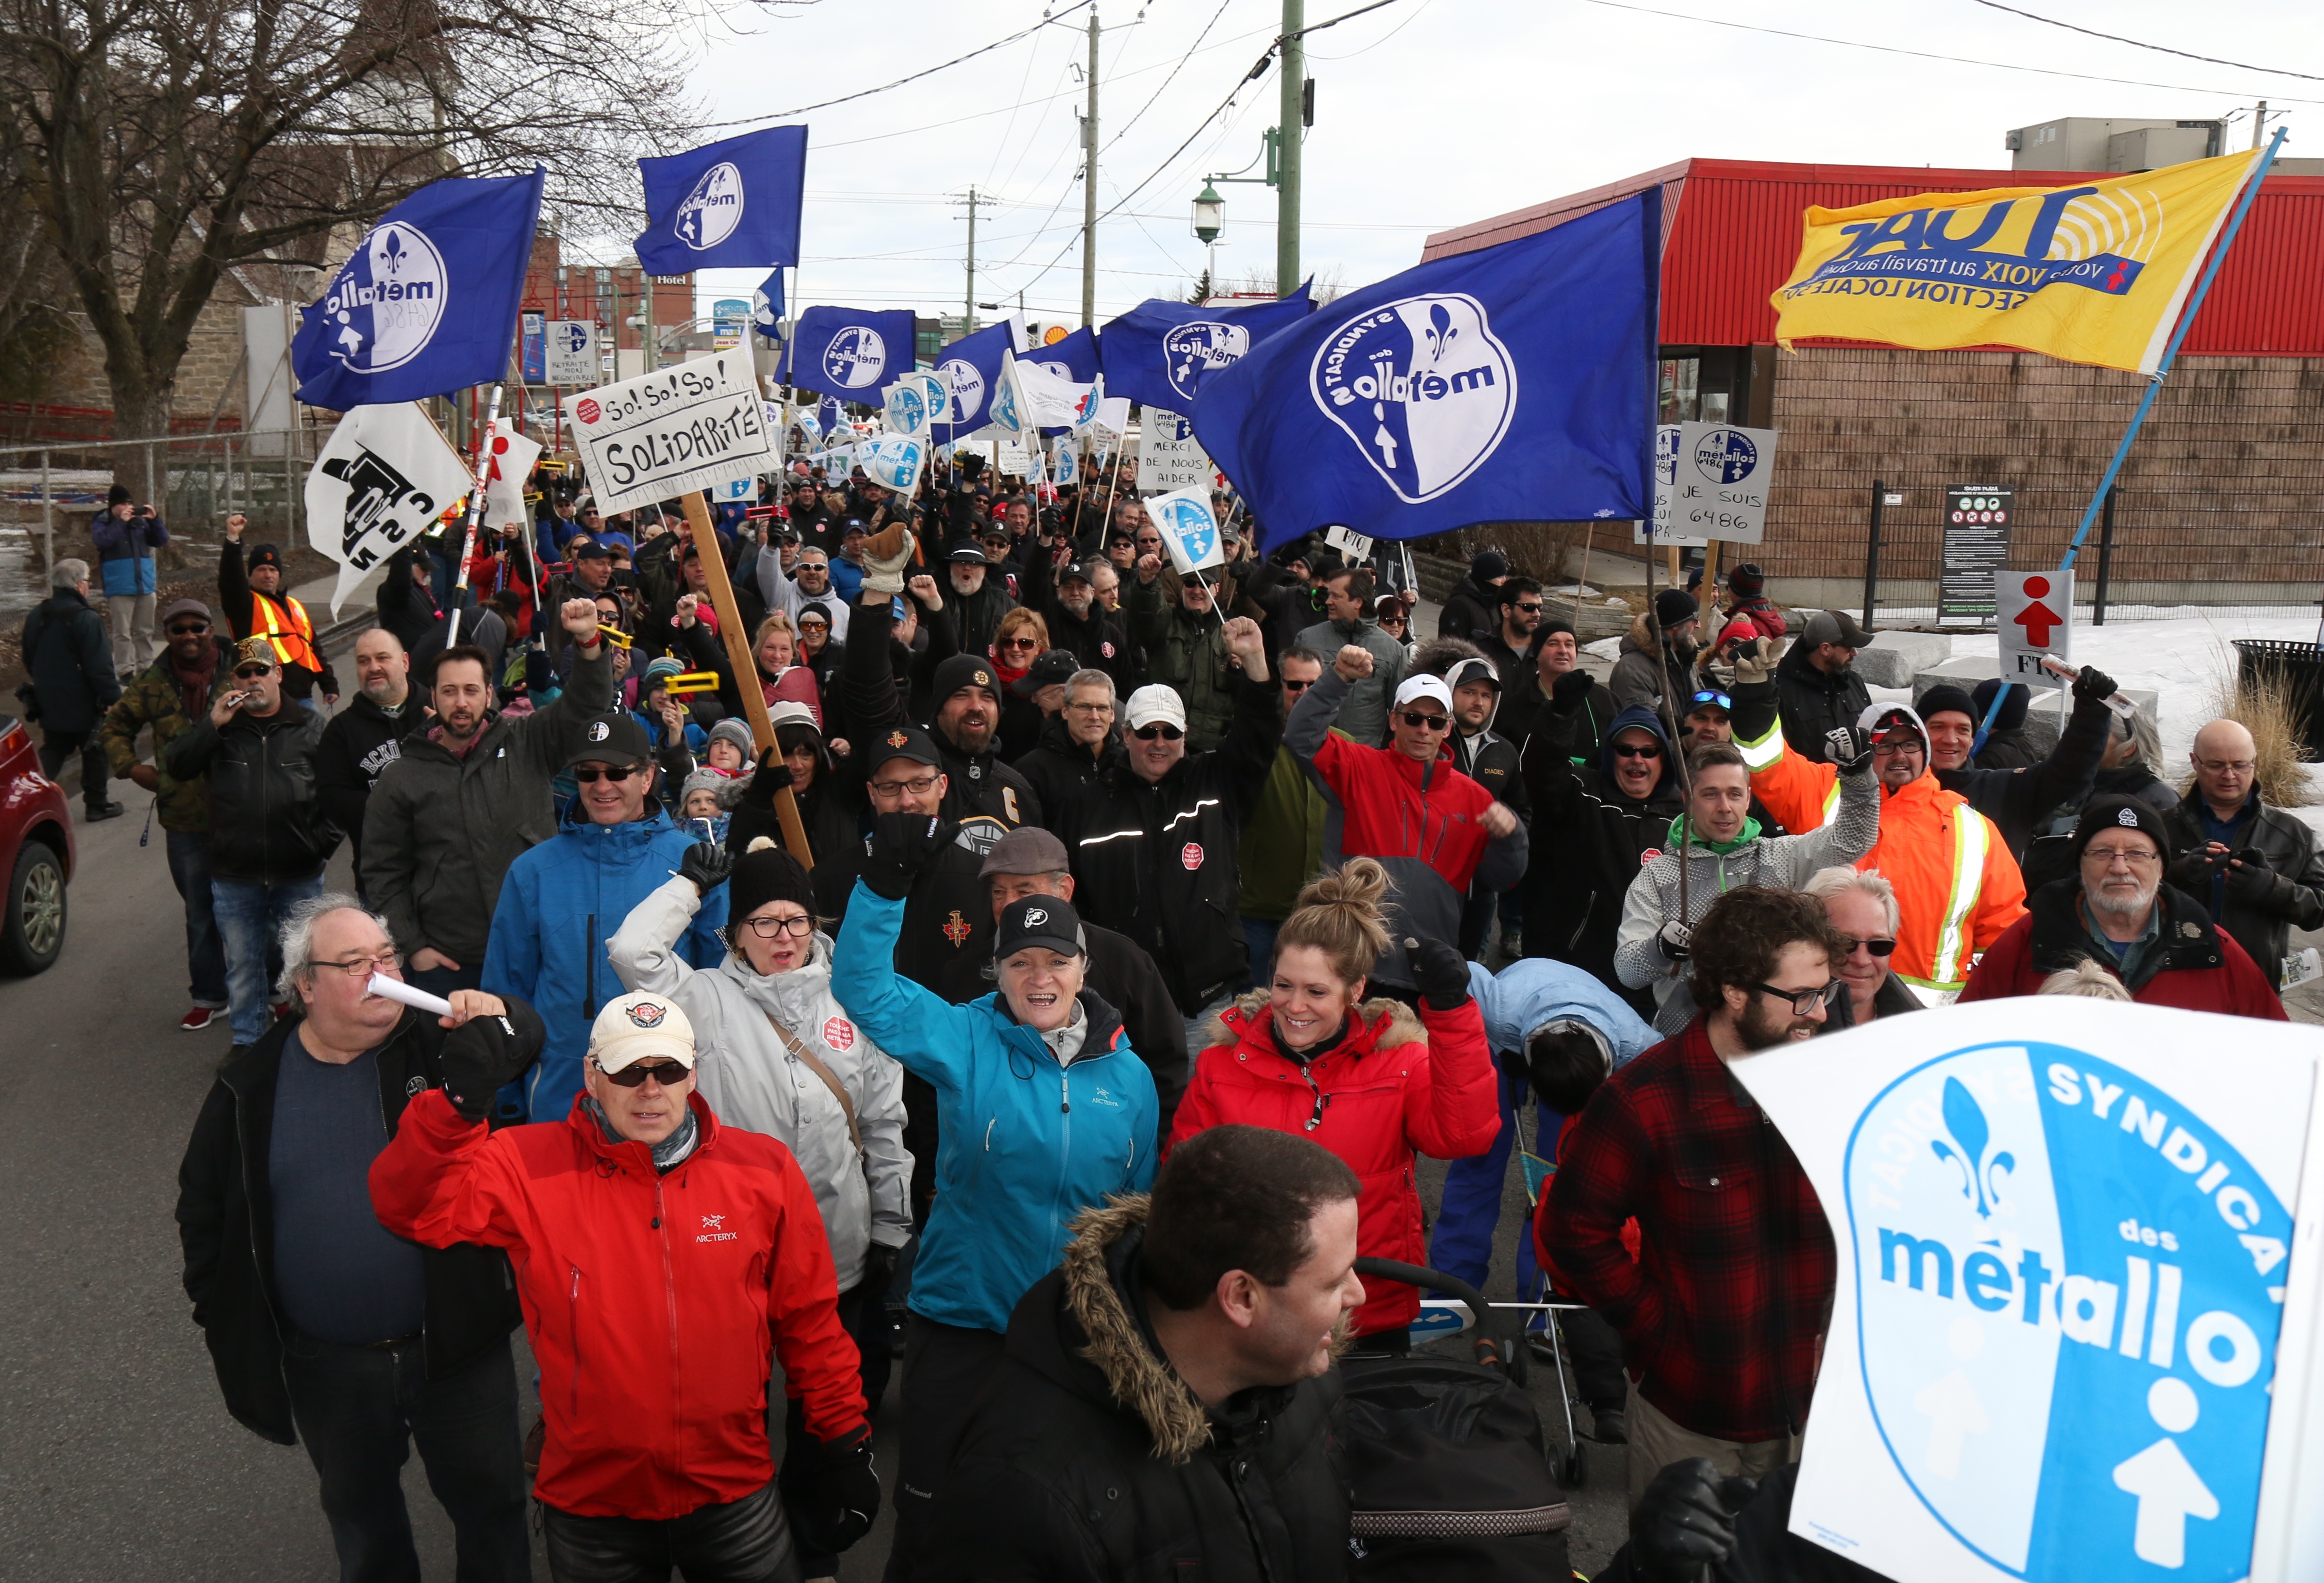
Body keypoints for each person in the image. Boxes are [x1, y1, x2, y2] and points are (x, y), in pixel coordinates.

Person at [368, 988, 879, 1582]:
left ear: (693, 1074)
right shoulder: (523, 1163)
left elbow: (810, 1324)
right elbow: (410, 1209)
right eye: (628, 1069)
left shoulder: (763, 1169)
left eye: (667, 1069)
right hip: (593, 1509)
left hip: (735, 1492)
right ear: (591, 1074)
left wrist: (846, 1442)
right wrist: (456, 1107)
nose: (649, 1088)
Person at [177, 897, 535, 1583]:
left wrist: (497, 1016)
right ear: (305, 987)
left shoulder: (433, 1043)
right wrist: (220, 1307)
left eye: (386, 957)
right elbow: (203, 1210)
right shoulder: (248, 1087)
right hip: (329, 1367)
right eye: (355, 963)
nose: (379, 974)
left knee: (491, 1510)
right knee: (363, 1524)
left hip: (457, 1350)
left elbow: (527, 1038)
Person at [830, 845, 1159, 1583]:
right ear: (998, 972)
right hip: (964, 1323)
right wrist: (885, 880)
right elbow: (860, 986)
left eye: (1055, 961)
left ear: (1083, 969)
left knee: (1052, 1518)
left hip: (1072, 1335)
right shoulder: (964, 1037)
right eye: (1020, 963)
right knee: (929, 1514)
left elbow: (1136, 1212)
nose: (1039, 978)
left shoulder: (1130, 1076)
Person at [608, 839, 909, 1565]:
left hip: (836, 1246)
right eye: (765, 921)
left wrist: (895, 1232)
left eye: (796, 921)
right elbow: (631, 953)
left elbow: (883, 1121)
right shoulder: (704, 998)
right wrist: (686, 885)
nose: (783, 936)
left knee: (820, 1409)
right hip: (729, 1251)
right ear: (733, 931)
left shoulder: (853, 1000)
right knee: (732, 1404)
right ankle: (731, 1542)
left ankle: (814, 1549)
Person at [923, 1126, 1359, 1583]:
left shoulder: (1304, 1372)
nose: (1358, 1295)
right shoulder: (1020, 1493)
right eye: (1333, 1282)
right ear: (1241, 1298)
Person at [1547, 885, 1845, 1510]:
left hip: (1808, 1411)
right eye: (1801, 996)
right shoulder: (1643, 1101)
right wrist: (1656, 1329)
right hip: (1686, 1414)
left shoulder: (1833, 1086)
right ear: (1734, 991)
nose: (1819, 1013)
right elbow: (1572, 1230)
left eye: (1826, 991)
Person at [1170, 859, 1495, 1346]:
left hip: (1369, 1306)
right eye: (1283, 985)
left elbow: (1463, 1136)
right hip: (1258, 1313)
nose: (1293, 1006)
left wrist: (1451, 1017)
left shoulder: (1399, 1062)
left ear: (1356, 990)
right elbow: (1185, 1186)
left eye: (1316, 991)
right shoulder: (1222, 1065)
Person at [1432, 953, 1656, 1415]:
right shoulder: (1498, 1008)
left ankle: (1541, 1307)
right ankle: (1451, 1293)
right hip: (1508, 1044)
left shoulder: (1640, 1046)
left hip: (1585, 1052)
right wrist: (1488, 1047)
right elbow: (1463, 973)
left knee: (1560, 1185)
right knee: (1477, 1162)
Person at [361, 602, 616, 1003]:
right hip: (452, 964)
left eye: (470, 690)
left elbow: (585, 706)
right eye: (449, 691)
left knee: (546, 1058)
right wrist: (414, 947)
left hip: (541, 948)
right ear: (434, 695)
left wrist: (588, 641)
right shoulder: (402, 777)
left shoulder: (529, 741)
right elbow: (382, 873)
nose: (461, 702)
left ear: (488, 693)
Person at [483, 711, 728, 1119]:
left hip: (661, 1089)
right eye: (587, 773)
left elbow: (720, 986)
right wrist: (506, 1094)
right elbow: (506, 990)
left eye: (617, 772)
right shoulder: (533, 870)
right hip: (559, 1089)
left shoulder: (694, 862)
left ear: (647, 777)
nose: (601, 786)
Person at [1057, 622, 1281, 1048]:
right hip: (1119, 1001)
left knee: (1204, 1111)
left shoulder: (1217, 782)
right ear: (1126, 734)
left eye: (1170, 732)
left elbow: (1259, 736)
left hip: (1209, 997)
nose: (1159, 743)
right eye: (1146, 732)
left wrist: (1254, 661)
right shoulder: (1087, 806)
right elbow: (1073, 899)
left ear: (1185, 735)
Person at [1737, 695, 2024, 1002]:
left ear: (1924, 750)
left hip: (1932, 1017)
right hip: (1827, 1000)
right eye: (1884, 745)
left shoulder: (1974, 827)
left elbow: (2003, 927)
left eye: (1910, 744)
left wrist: (1990, 1001)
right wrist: (1758, 694)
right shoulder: (1823, 791)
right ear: (1863, 749)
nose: (1899, 755)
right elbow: (1765, 761)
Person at [1284, 653, 1526, 997]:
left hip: (1422, 973)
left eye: (1434, 721)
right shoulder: (1359, 766)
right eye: (1413, 718)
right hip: (1349, 963)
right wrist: (1338, 677)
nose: (1423, 729)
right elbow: (1301, 735)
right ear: (1394, 720)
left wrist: (1511, 836)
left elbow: (1502, 879)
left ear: (1448, 728)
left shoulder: (1475, 799)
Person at [935, 826, 1189, 1147]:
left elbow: (1167, 1068)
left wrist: (1153, 1156)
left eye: (1024, 891)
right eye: (999, 892)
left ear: (1065, 889)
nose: (1009, 905)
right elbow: (938, 1082)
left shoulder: (1123, 962)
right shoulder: (963, 973)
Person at [1617, 736, 1879, 1036]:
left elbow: (1854, 840)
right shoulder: (1657, 875)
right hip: (1688, 1040)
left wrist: (1859, 776)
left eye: (1734, 794)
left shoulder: (1784, 856)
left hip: (1773, 1039)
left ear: (1749, 799)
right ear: (1688, 799)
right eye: (1711, 794)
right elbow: (1627, 970)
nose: (1725, 807)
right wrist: (1661, 948)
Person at [1960, 795, 2289, 1017]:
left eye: (2137, 854)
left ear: (2161, 867)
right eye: (2102, 853)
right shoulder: (2030, 939)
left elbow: (2274, 1048)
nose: (2120, 867)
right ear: (2081, 865)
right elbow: (1968, 1033)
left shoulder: (2211, 948)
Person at [165, 637, 336, 1057]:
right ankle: (248, 1045)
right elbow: (177, 765)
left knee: (302, 965)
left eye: (262, 670)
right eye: (245, 673)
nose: (254, 679)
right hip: (235, 873)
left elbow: (337, 793)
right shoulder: (222, 727)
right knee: (243, 965)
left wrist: (320, 844)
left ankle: (303, 1045)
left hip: (298, 872)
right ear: (233, 680)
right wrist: (213, 725)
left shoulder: (311, 727)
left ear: (278, 674)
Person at [102, 597, 228, 1024]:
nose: (189, 636)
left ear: (211, 629)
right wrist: (132, 768)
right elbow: (114, 726)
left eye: (197, 627)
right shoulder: (153, 682)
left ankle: (268, 988)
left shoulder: (237, 670)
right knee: (199, 910)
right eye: (178, 629)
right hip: (185, 819)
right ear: (168, 635)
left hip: (242, 811)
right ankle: (210, 996)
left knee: (256, 906)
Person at [2163, 717, 2324, 995]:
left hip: (2254, 985)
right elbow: (2124, 893)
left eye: (2240, 765)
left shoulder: (2293, 834)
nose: (2229, 775)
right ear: (2194, 761)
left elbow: (2319, 908)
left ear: (2255, 762)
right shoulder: (2161, 828)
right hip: (2172, 978)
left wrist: (2272, 888)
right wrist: (2178, 873)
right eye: (2216, 765)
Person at [1912, 671, 2114, 859]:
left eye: (1963, 730)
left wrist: (2091, 713)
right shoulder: (1892, 790)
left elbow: (2070, 771)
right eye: (1938, 728)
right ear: (1918, 734)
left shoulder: (2005, 790)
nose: (1951, 739)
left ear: (1973, 738)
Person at [1237, 647, 1335, 981]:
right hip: (1259, 912)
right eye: (1295, 684)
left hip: (1322, 913)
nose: (1305, 694)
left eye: (1315, 685)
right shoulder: (1250, 748)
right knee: (1253, 1003)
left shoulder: (1348, 749)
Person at [21, 557, 124, 820]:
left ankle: (29, 799)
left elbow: (28, 657)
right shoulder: (86, 619)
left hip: (49, 699)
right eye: (88, 581)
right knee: (95, 749)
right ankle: (97, 805)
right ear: (80, 585)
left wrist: (45, 684)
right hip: (83, 701)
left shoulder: (37, 615)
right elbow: (100, 667)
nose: (89, 586)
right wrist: (114, 699)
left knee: (54, 749)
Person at [315, 629, 423, 879]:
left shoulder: (436, 712)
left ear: (405, 662)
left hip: (445, 871)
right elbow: (332, 797)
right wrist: (391, 808)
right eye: (364, 661)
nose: (373, 667)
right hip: (380, 875)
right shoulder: (341, 731)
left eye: (383, 658)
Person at [1128, 553, 1244, 754]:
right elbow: (1146, 614)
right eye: (1190, 584)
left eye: (1204, 584)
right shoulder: (1165, 622)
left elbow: (1246, 695)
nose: (1196, 590)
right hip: (1166, 743)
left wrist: (1239, 669)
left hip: (1213, 750)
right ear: (1182, 588)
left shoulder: (1233, 634)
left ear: (1216, 589)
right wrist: (1147, 583)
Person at [219, 513, 339, 704]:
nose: (268, 575)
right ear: (250, 575)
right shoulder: (245, 604)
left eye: (273, 570)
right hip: (265, 698)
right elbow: (231, 580)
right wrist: (233, 541)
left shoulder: (295, 606)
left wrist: (329, 685)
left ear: (280, 575)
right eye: (261, 570)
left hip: (303, 697)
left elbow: (313, 648)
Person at [1294, 565, 1405, 747]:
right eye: (1329, 595)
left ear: (1358, 602)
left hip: (1364, 757)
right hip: (1313, 749)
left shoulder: (1393, 651)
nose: (1328, 601)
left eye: (1336, 596)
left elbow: (1399, 712)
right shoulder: (1307, 639)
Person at [1803, 867, 1921, 1025]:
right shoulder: (1775, 1035)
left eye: (1879, 945)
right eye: (1844, 943)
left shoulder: (1925, 1035)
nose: (1862, 960)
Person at [1497, 617, 1616, 763]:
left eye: (1569, 644)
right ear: (1536, 653)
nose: (1563, 650)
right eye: (1553, 644)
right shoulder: (1514, 708)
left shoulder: (1604, 700)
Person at [1012, 667, 1123, 819]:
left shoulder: (1127, 765)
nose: (1094, 716)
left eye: (1102, 708)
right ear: (1065, 711)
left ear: (1112, 715)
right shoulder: (1033, 769)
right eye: (1084, 707)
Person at [1773, 610, 1873, 764]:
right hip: (1810, 786)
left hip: (1857, 785)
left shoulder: (1854, 682)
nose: (1855, 654)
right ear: (1825, 649)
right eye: (1849, 648)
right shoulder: (1782, 692)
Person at [90, 483, 169, 675]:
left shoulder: (140, 522)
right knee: (122, 632)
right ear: (113, 506)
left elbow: (161, 540)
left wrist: (155, 520)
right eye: (122, 505)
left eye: (129, 504)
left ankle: (145, 666)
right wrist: (121, 523)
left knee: (145, 630)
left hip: (145, 584)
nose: (127, 508)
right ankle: (124, 669)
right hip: (119, 586)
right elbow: (102, 541)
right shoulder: (103, 521)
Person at [1610, 590, 1700, 713]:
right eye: (1695, 619)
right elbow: (1642, 725)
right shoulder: (1632, 670)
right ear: (1676, 625)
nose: (1698, 625)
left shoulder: (1686, 660)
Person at [1474, 576, 1544, 694]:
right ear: (1506, 610)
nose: (1537, 614)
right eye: (1529, 608)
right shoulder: (1480, 651)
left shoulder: (1546, 651)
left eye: (1540, 607)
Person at [1437, 548, 1508, 643]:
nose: (1504, 581)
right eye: (1500, 577)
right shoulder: (1458, 606)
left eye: (1504, 576)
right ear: (1486, 578)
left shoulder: (1495, 603)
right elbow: (1449, 647)